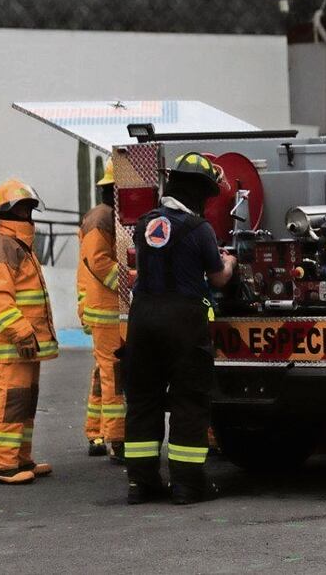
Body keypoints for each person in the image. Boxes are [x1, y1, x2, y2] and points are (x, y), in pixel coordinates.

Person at [123, 152, 235, 505]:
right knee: (188, 402)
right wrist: (230, 262)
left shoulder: (144, 224)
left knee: (142, 401)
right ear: (200, 193)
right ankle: (187, 486)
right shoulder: (199, 229)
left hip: (142, 320)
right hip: (183, 321)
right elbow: (217, 278)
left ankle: (141, 485)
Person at [0, 179, 58, 484]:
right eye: (22, 209)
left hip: (21, 345)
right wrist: (22, 333)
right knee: (10, 402)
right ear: (7, 213)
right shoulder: (2, 244)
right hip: (11, 345)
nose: (28, 216)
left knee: (23, 401)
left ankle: (19, 458)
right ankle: (1, 463)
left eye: (29, 209)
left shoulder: (16, 243)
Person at [77, 159, 125, 463]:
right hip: (108, 310)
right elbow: (98, 261)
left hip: (105, 308)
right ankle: (117, 437)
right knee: (113, 374)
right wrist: (129, 286)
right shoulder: (102, 217)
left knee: (103, 373)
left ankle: (96, 431)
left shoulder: (108, 215)